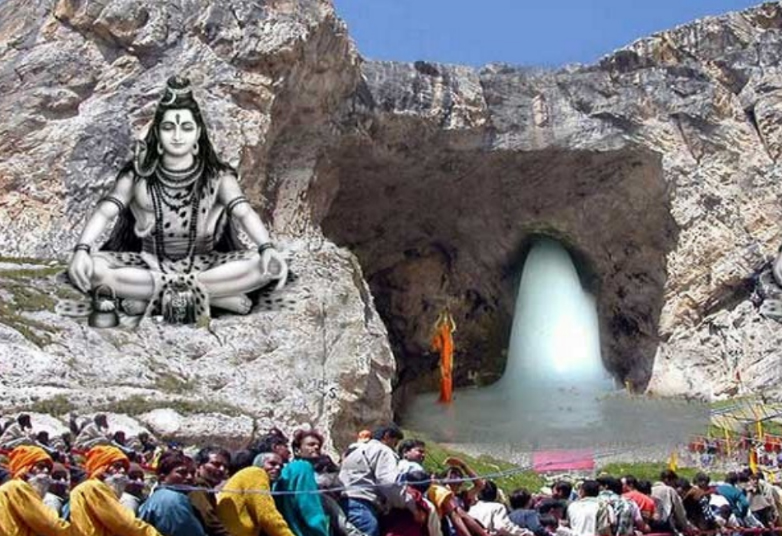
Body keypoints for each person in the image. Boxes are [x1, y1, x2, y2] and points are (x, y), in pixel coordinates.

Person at [67, 75, 288, 323]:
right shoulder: (137, 175)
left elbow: (244, 213)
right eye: (168, 127)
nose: (177, 136)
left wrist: (267, 248)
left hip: (206, 265)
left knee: (264, 266)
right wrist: (82, 249)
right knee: (95, 268)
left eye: (186, 128)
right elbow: (105, 211)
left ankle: (155, 300)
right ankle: (211, 297)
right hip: (149, 265)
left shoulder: (218, 176)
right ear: (157, 133)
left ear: (198, 133)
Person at [69, 445, 162, 536]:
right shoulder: (94, 487)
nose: (122, 471)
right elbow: (124, 523)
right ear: (101, 468)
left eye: (124, 469)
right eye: (117, 466)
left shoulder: (86, 488)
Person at [339, 425, 413, 536]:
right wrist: (406, 503)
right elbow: (388, 482)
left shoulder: (354, 451)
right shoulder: (383, 451)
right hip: (363, 506)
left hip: (344, 504)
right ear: (387, 436)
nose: (394, 448)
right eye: (395, 443)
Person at [216, 451, 294, 536]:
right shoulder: (256, 473)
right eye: (272, 464)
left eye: (281, 466)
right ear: (259, 464)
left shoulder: (249, 476)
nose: (278, 468)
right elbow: (267, 515)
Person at [0, 445, 72, 536]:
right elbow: (50, 524)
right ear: (25, 468)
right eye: (40, 466)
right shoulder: (17, 487)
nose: (46, 471)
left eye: (48, 469)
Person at [273, 429, 330, 536]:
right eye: (311, 444)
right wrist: (321, 530)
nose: (316, 447)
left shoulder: (288, 469)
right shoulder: (303, 468)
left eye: (318, 446)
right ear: (297, 450)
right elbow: (309, 507)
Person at [139, 451, 206, 536]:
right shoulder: (172, 500)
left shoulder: (157, 497)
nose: (189, 477)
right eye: (182, 472)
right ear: (163, 478)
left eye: (192, 473)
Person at [189, 446, 232, 536]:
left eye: (225, 466)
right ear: (199, 465)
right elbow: (210, 521)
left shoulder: (208, 489)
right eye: (216, 464)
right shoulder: (198, 488)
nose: (222, 469)